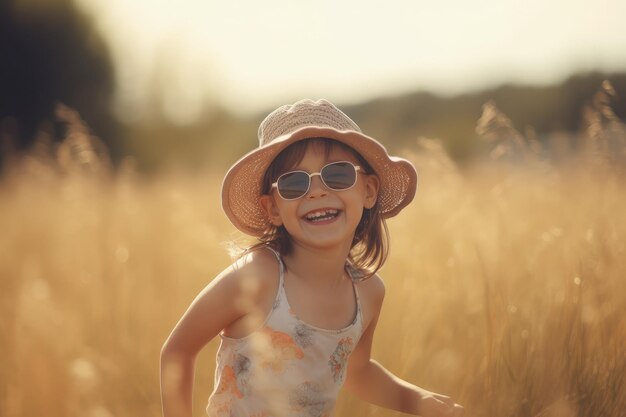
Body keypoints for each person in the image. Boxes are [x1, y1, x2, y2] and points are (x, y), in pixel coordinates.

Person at [160, 99, 464, 417]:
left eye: (337, 175)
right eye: (294, 183)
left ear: (369, 191)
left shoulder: (369, 293)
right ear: (272, 209)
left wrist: (419, 401)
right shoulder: (257, 277)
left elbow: (356, 373)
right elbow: (177, 352)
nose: (317, 192)